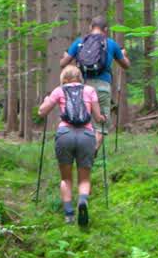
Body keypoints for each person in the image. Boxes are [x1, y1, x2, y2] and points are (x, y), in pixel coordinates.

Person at [39, 64, 106, 226]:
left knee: (66, 178)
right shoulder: (89, 90)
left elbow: (41, 112)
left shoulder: (59, 90)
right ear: (79, 77)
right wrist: (103, 117)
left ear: (64, 78)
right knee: (84, 178)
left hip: (65, 135)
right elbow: (98, 118)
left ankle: (69, 215)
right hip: (86, 135)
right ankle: (83, 200)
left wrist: (46, 100)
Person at [60, 15, 130, 148]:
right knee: (100, 125)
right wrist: (123, 55)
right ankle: (92, 154)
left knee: (81, 120)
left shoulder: (79, 43)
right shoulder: (111, 44)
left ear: (90, 27)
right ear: (106, 29)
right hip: (102, 87)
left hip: (82, 87)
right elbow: (125, 65)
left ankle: (80, 153)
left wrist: (66, 56)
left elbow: (63, 63)